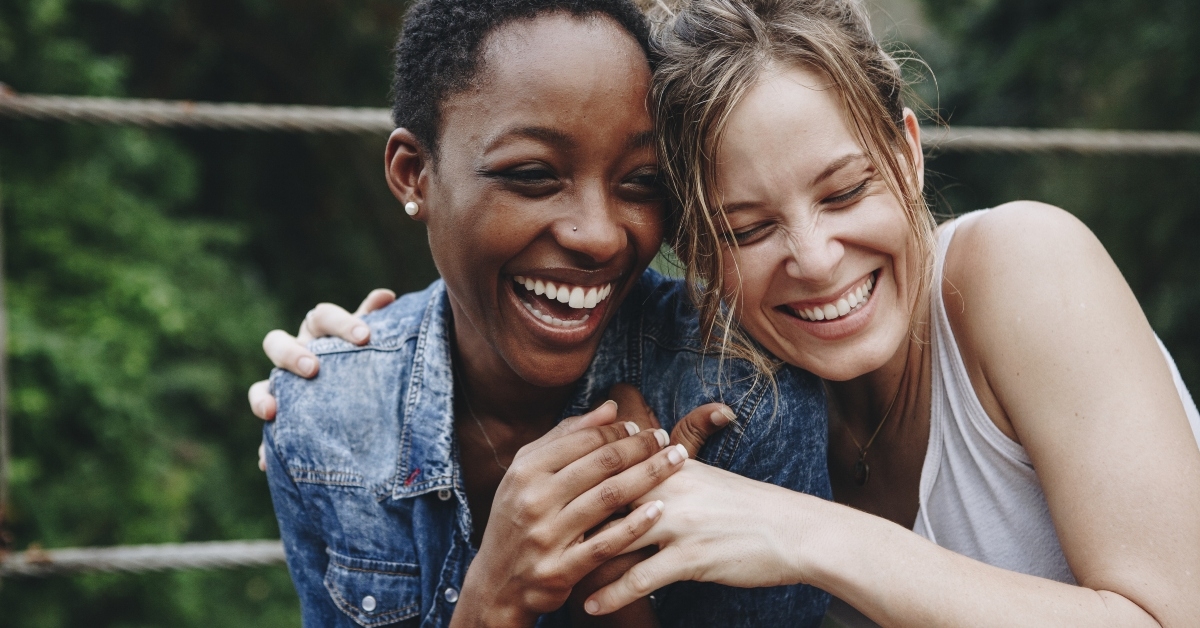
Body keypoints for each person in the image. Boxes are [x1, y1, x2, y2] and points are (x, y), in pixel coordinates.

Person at [565, 0, 1199, 625]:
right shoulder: (744, 411)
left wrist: (805, 534)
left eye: (844, 192)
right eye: (748, 230)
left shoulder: (1024, 264)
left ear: (907, 154)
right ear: (695, 253)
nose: (814, 260)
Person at [256, 1, 831, 626]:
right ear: (414, 174)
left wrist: (616, 582)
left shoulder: (743, 396)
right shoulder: (325, 422)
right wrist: (492, 600)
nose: (600, 236)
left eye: (641, 182)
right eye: (533, 174)